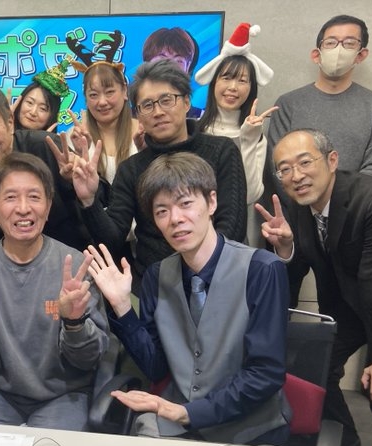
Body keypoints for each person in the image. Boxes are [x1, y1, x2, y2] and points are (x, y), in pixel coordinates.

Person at [86, 152, 290, 445]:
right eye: (162, 211)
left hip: (249, 429)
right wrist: (121, 307)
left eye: (185, 204)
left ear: (212, 202)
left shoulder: (261, 270)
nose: (176, 219)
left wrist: (188, 412)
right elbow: (156, 366)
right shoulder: (157, 276)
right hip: (178, 425)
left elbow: (265, 374)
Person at [257, 128, 372, 446]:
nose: (296, 176)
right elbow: (296, 271)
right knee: (309, 368)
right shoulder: (299, 205)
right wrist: (285, 249)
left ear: (332, 160)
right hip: (349, 307)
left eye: (305, 162)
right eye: (285, 169)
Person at [0, 152, 109, 430]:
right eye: (10, 197)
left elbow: (90, 359)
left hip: (63, 395)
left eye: (34, 197)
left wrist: (74, 323)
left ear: (48, 206)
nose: (23, 208)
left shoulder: (76, 268)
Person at [71, 59, 247, 293]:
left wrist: (198, 276)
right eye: (147, 105)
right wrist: (88, 200)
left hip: (218, 281)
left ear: (186, 101)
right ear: (138, 115)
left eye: (167, 100)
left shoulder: (222, 151)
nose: (158, 112)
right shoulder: (132, 168)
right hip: (155, 288)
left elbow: (232, 227)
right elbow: (113, 239)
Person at [0, 83, 104, 258]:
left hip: (72, 259)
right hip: (9, 269)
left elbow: (103, 202)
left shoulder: (46, 146)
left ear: (9, 122)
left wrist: (73, 181)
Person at [267, 15, 372, 178]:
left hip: (355, 195)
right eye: (331, 43)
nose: (338, 50)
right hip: (295, 194)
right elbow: (277, 166)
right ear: (316, 54)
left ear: (361, 55)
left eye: (349, 43)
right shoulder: (287, 104)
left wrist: (343, 195)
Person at [195, 23, 277, 245]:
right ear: (213, 82)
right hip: (190, 235)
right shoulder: (195, 130)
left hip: (234, 241)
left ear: (251, 88)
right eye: (226, 78)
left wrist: (248, 139)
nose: (233, 87)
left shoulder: (255, 135)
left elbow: (249, 195)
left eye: (242, 80)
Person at [67, 61, 140, 184]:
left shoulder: (143, 132)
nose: (102, 102)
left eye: (109, 92)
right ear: (86, 99)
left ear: (124, 91)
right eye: (93, 95)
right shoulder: (74, 137)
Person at [142, 27, 203, 119]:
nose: (170, 67)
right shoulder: (130, 119)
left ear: (188, 68)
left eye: (178, 61)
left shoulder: (202, 120)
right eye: (162, 59)